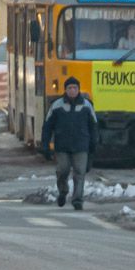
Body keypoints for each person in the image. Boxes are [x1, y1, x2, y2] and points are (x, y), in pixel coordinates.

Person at [41, 76, 97, 210]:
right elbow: (47, 126)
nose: (72, 90)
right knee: (63, 170)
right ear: (65, 90)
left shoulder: (87, 105)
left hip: (81, 145)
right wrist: (45, 145)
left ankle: (78, 200)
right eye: (69, 88)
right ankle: (63, 191)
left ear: (79, 89)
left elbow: (93, 126)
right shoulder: (57, 105)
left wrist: (93, 145)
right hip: (62, 146)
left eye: (75, 88)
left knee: (80, 173)